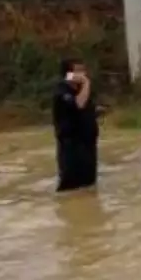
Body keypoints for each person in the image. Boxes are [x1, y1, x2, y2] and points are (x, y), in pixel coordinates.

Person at [52, 58, 100, 192]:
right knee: (71, 188)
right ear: (69, 74)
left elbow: (86, 108)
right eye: (79, 71)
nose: (83, 74)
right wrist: (86, 83)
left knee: (89, 185)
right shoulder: (62, 91)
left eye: (83, 70)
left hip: (88, 145)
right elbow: (78, 104)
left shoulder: (81, 90)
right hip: (71, 148)